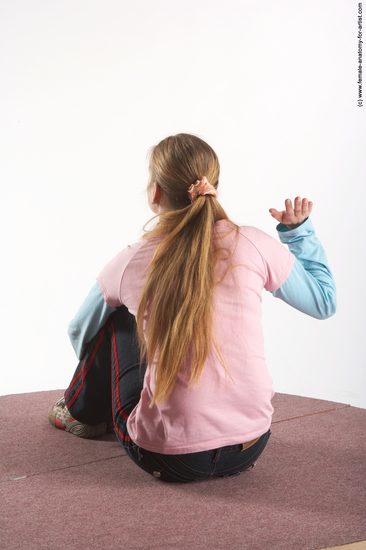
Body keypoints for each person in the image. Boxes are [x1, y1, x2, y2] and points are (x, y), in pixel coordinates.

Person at [48, 133, 337, 483]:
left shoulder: (131, 262)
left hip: (167, 458)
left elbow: (79, 329)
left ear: (156, 192)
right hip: (250, 445)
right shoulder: (253, 243)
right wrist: (298, 234)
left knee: (119, 317)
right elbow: (324, 303)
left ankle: (79, 410)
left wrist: (105, 367)